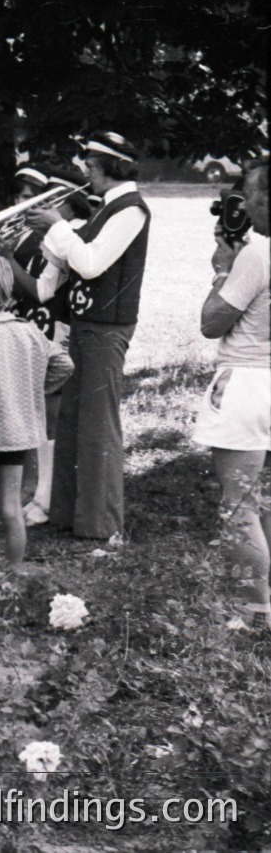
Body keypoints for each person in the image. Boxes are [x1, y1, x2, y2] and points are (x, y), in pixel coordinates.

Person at [25, 130, 149, 542]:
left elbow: (93, 265)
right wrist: (52, 242)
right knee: (74, 421)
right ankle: (69, 514)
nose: (86, 173)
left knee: (98, 425)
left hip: (106, 327)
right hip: (86, 322)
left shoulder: (131, 210)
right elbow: (76, 259)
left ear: (113, 166)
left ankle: (101, 523)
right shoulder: (107, 207)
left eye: (91, 167)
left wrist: (59, 228)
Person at [0, 253, 75, 570]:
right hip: (18, 434)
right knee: (11, 506)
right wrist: (33, 391)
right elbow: (64, 363)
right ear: (8, 291)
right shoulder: (29, 330)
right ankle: (14, 571)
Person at [194, 158, 269, 627]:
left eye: (252, 194)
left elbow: (211, 322)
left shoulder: (258, 254)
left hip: (247, 382)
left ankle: (255, 612)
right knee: (266, 501)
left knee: (238, 505)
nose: (246, 202)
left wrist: (222, 270)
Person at [0, 166, 89, 525]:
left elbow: (55, 286)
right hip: (47, 325)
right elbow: (40, 290)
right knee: (42, 413)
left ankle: (47, 498)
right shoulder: (56, 235)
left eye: (48, 202)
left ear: (66, 203)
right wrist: (6, 257)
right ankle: (41, 494)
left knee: (51, 414)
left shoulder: (78, 233)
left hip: (66, 328)